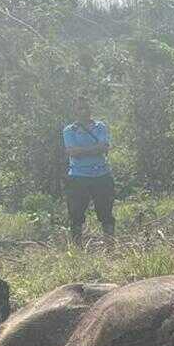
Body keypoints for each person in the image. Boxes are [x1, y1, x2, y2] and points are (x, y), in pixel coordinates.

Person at [62, 98, 115, 243]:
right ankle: (77, 246)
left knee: (106, 212)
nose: (84, 111)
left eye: (86, 108)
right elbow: (72, 152)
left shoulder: (100, 126)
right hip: (78, 176)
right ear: (75, 111)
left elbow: (104, 147)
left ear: (90, 109)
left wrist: (82, 151)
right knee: (76, 214)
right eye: (80, 108)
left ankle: (110, 244)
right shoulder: (69, 130)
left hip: (102, 175)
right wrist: (95, 149)